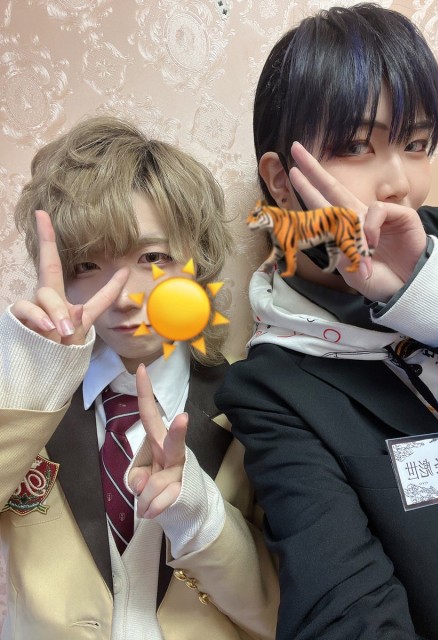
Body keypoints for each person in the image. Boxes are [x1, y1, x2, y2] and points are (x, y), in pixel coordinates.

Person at [215, 4, 438, 640]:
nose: (399, 184)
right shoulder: (274, 388)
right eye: (357, 146)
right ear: (281, 182)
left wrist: (429, 297)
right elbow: (343, 610)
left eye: (415, 144)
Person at [0, 116, 278, 640]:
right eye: (86, 265)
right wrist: (20, 381)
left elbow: (278, 616)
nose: (125, 296)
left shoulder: (253, 404)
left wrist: (200, 515)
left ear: (196, 261)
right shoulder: (26, 404)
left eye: (153, 257)